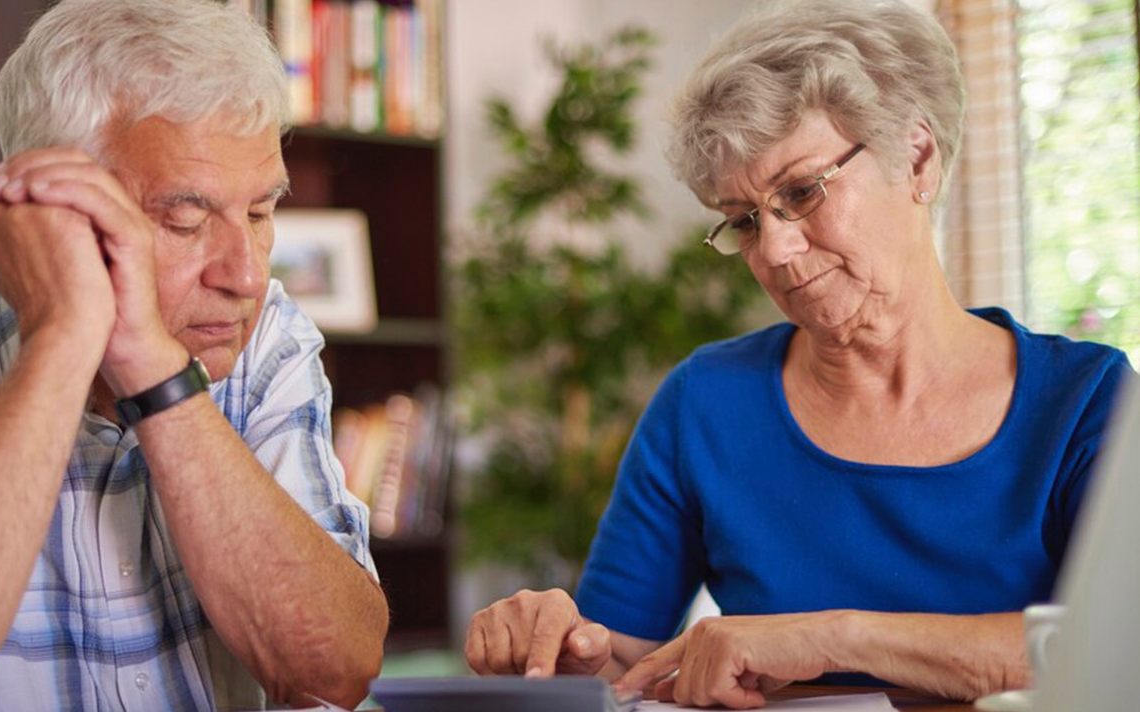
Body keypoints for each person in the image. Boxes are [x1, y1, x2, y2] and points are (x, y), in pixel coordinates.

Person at [465, 0, 1133, 708]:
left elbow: (1122, 650)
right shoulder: (706, 404)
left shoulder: (1087, 402)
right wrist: (558, 652)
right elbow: (624, 661)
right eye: (744, 221)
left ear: (917, 156)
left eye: (802, 192)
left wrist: (833, 639)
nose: (775, 251)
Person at [0, 1, 387, 710]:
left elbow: (336, 668)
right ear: (52, 211)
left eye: (261, 213)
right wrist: (60, 337)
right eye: (186, 218)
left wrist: (154, 371)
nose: (244, 274)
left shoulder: (265, 338)